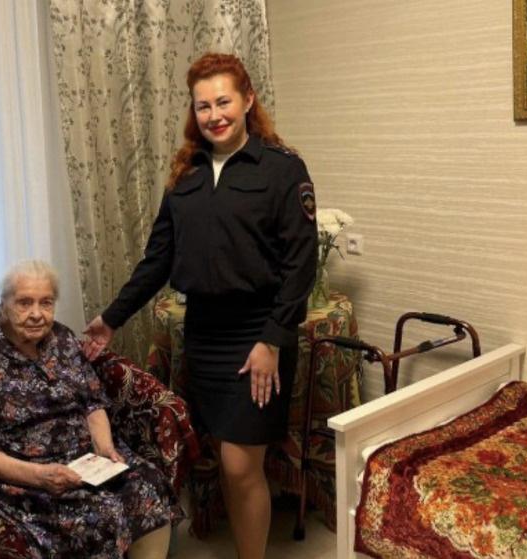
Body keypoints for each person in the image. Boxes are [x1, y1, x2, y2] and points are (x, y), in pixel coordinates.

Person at [83, 52, 317, 558]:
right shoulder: (185, 174)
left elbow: (301, 266)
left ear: (248, 100)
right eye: (203, 105)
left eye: (224, 102)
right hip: (204, 335)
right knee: (225, 457)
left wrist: (273, 339)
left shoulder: (282, 169)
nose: (215, 115)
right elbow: (158, 260)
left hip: (259, 334)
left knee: (240, 463)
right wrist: (111, 318)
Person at [0, 260, 180, 559]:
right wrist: (40, 476)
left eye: (46, 302)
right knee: (100, 514)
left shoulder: (63, 338)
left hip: (86, 459)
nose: (37, 313)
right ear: (4, 303)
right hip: (30, 473)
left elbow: (92, 401)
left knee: (149, 482)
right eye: (24, 303)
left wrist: (105, 448)